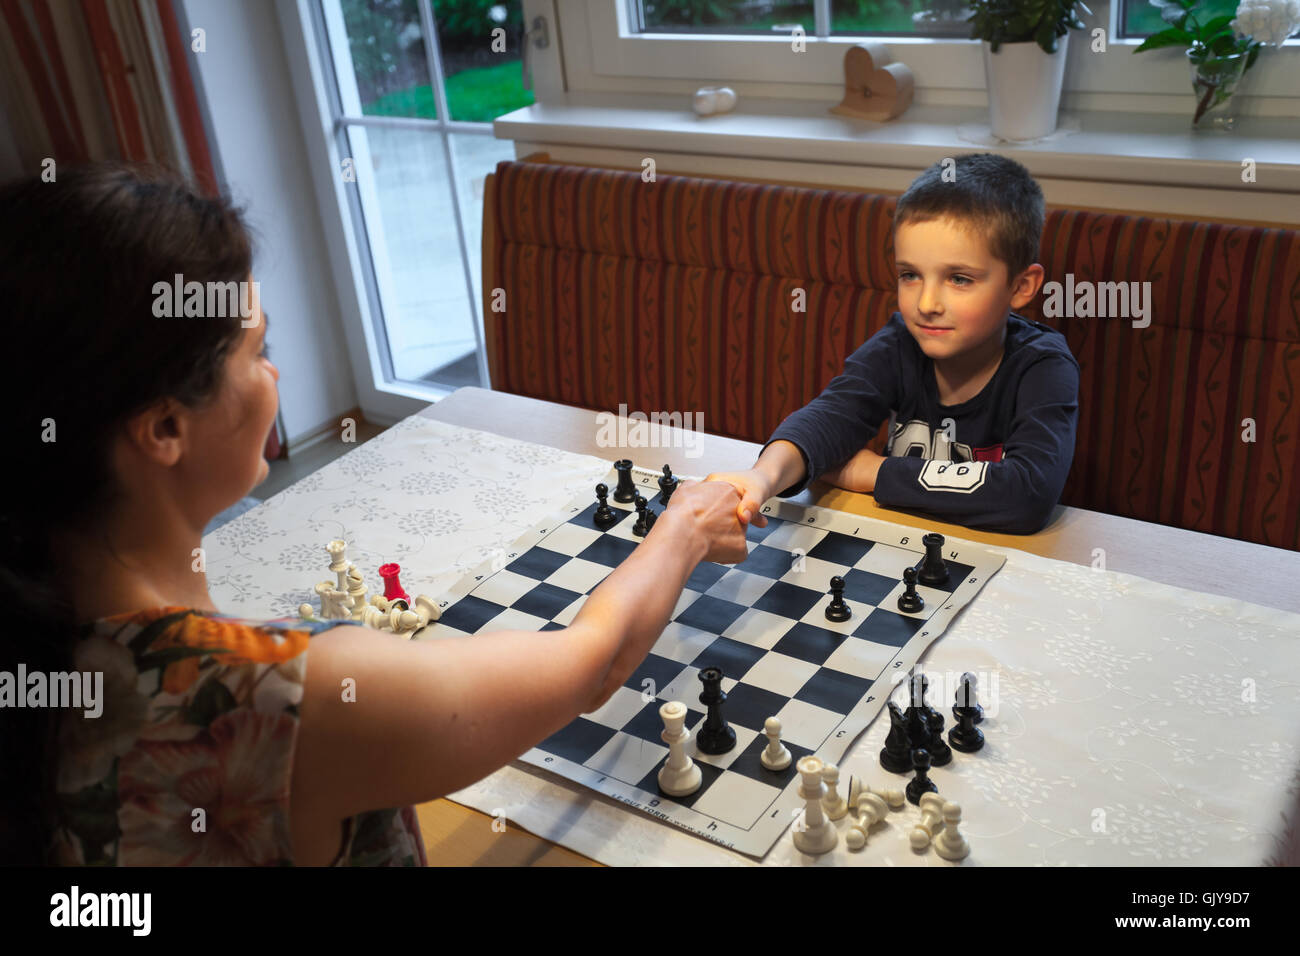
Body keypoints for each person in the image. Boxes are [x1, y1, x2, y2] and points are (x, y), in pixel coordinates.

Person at [0, 163, 749, 866]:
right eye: (256, 352)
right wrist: (681, 528)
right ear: (164, 430)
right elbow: (594, 666)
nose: (276, 375)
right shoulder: (284, 697)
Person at [709, 153, 1080, 536]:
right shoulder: (901, 341)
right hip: (895, 541)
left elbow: (1028, 495)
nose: (926, 304)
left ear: (1020, 287)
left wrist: (875, 472)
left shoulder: (1044, 366)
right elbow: (831, 416)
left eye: (959, 279)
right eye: (910, 275)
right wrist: (763, 478)